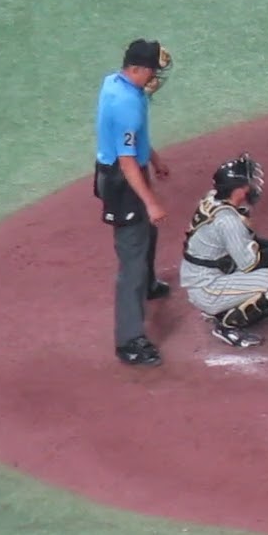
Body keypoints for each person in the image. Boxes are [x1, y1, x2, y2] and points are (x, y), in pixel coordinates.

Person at [94, 38, 174, 367]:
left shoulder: (117, 83)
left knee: (147, 234)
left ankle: (150, 285)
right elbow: (126, 161)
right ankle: (129, 341)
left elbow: (136, 138)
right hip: (122, 180)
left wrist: (154, 159)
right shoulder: (126, 103)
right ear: (137, 69)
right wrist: (151, 202)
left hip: (129, 170)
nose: (155, 76)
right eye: (152, 70)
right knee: (132, 261)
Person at [179, 153, 268, 348]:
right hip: (207, 287)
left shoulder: (214, 200)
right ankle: (227, 325)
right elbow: (250, 263)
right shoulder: (228, 221)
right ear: (238, 190)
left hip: (203, 274)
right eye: (249, 183)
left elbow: (248, 243)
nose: (253, 186)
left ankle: (221, 306)